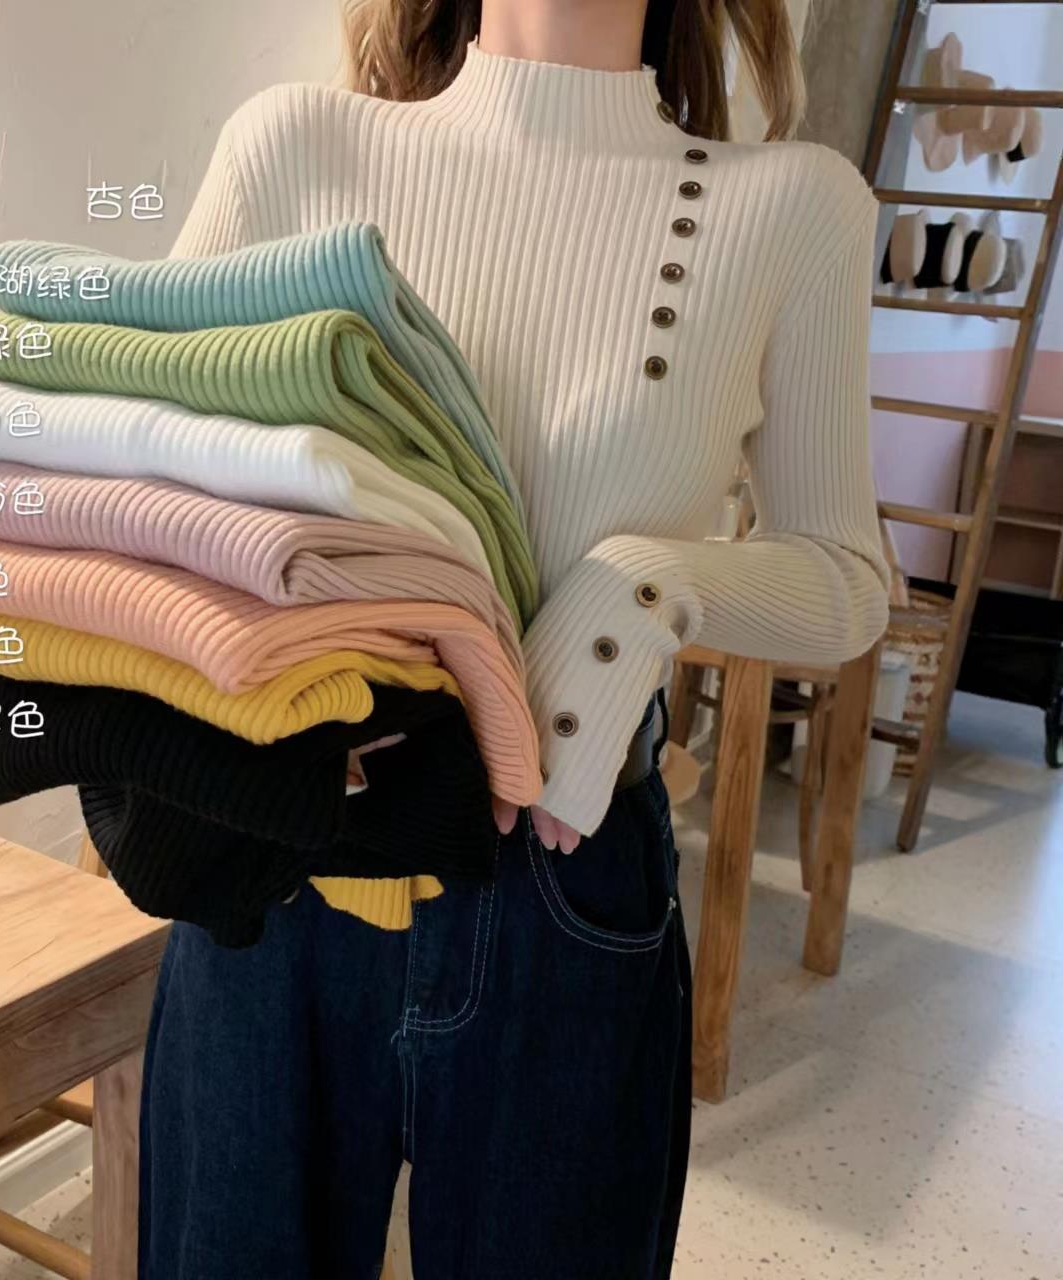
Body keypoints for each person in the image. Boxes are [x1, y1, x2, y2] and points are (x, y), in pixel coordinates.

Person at [140, 1, 891, 1276]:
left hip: (565, 877)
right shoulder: (293, 147)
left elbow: (845, 574)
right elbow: (148, 488)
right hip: (283, 858)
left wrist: (638, 592)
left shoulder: (793, 206)